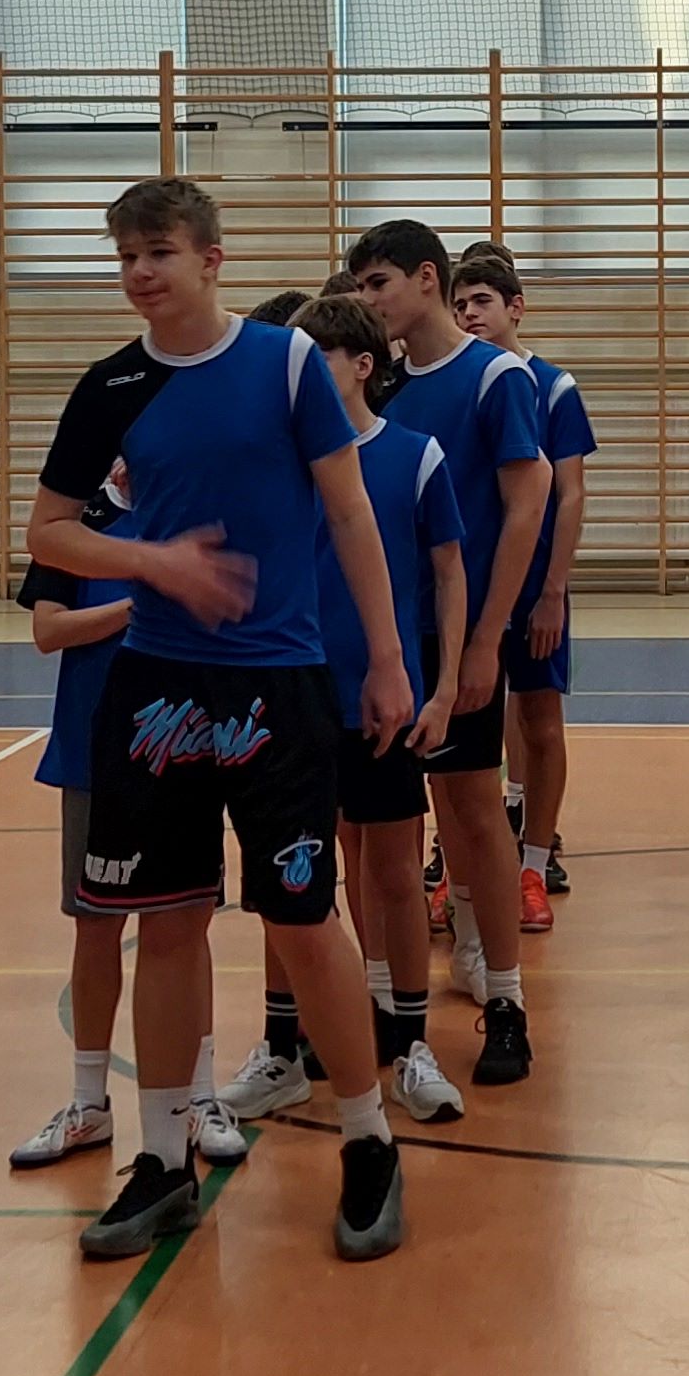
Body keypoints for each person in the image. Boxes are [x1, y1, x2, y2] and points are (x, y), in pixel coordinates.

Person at [29, 178, 419, 1264]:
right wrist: (150, 561)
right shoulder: (111, 385)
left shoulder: (288, 363)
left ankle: (368, 1140)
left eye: (157, 251)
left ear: (211, 258)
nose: (138, 272)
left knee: (302, 919)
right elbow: (50, 532)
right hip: (154, 688)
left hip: (278, 684)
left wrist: (386, 659)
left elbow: (350, 510)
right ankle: (161, 1160)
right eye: (125, 256)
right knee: (166, 921)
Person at [231, 294, 473, 1126]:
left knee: (396, 877)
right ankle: (281, 1049)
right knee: (287, 879)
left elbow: (449, 572)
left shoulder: (414, 455)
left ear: (363, 365)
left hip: (380, 701)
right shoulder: (277, 459)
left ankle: (410, 1046)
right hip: (285, 697)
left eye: (319, 355)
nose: (298, 371)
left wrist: (443, 686)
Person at [345, 221, 555, 1064]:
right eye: (360, 287)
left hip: (458, 629)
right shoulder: (383, 384)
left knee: (472, 807)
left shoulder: (494, 376)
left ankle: (505, 1002)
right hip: (386, 638)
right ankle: (384, 1004)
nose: (368, 301)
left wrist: (485, 640)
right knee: (385, 829)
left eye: (379, 283)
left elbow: (527, 505)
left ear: (426, 278)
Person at [10, 489, 248, 1174]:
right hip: (92, 752)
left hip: (182, 748)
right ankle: (88, 1103)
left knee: (186, 928)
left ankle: (199, 1097)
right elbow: (48, 630)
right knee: (94, 926)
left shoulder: (192, 510)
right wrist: (137, 604)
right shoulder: (75, 523)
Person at [452, 245, 588, 908]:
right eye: (459, 305)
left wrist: (553, 590)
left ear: (516, 308)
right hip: (465, 587)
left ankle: (534, 862)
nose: (469, 314)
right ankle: (459, 863)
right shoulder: (451, 381)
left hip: (532, 587)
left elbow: (569, 493)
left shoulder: (551, 386)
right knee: (459, 731)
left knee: (541, 721)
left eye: (482, 302)